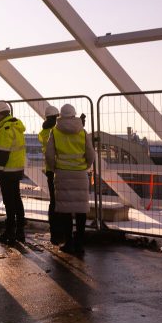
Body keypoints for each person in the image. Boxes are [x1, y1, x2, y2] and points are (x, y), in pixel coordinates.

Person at [44, 103, 94, 255]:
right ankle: (79, 244)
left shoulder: (55, 132)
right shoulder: (82, 132)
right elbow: (91, 153)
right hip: (80, 173)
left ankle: (68, 243)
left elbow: (49, 155)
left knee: (65, 210)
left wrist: (54, 168)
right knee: (81, 210)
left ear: (60, 116)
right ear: (74, 115)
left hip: (63, 174)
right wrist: (85, 166)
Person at [0, 101, 26, 243]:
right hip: (17, 170)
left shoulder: (5, 129)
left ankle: (10, 233)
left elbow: (2, 154)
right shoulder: (16, 127)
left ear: (1, 114)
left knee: (9, 202)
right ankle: (20, 232)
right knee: (17, 200)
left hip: (7, 172)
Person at [37, 104, 64, 244]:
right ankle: (63, 233)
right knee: (63, 202)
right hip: (60, 169)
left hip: (49, 170)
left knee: (53, 202)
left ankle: (54, 233)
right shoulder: (56, 131)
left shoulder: (43, 133)